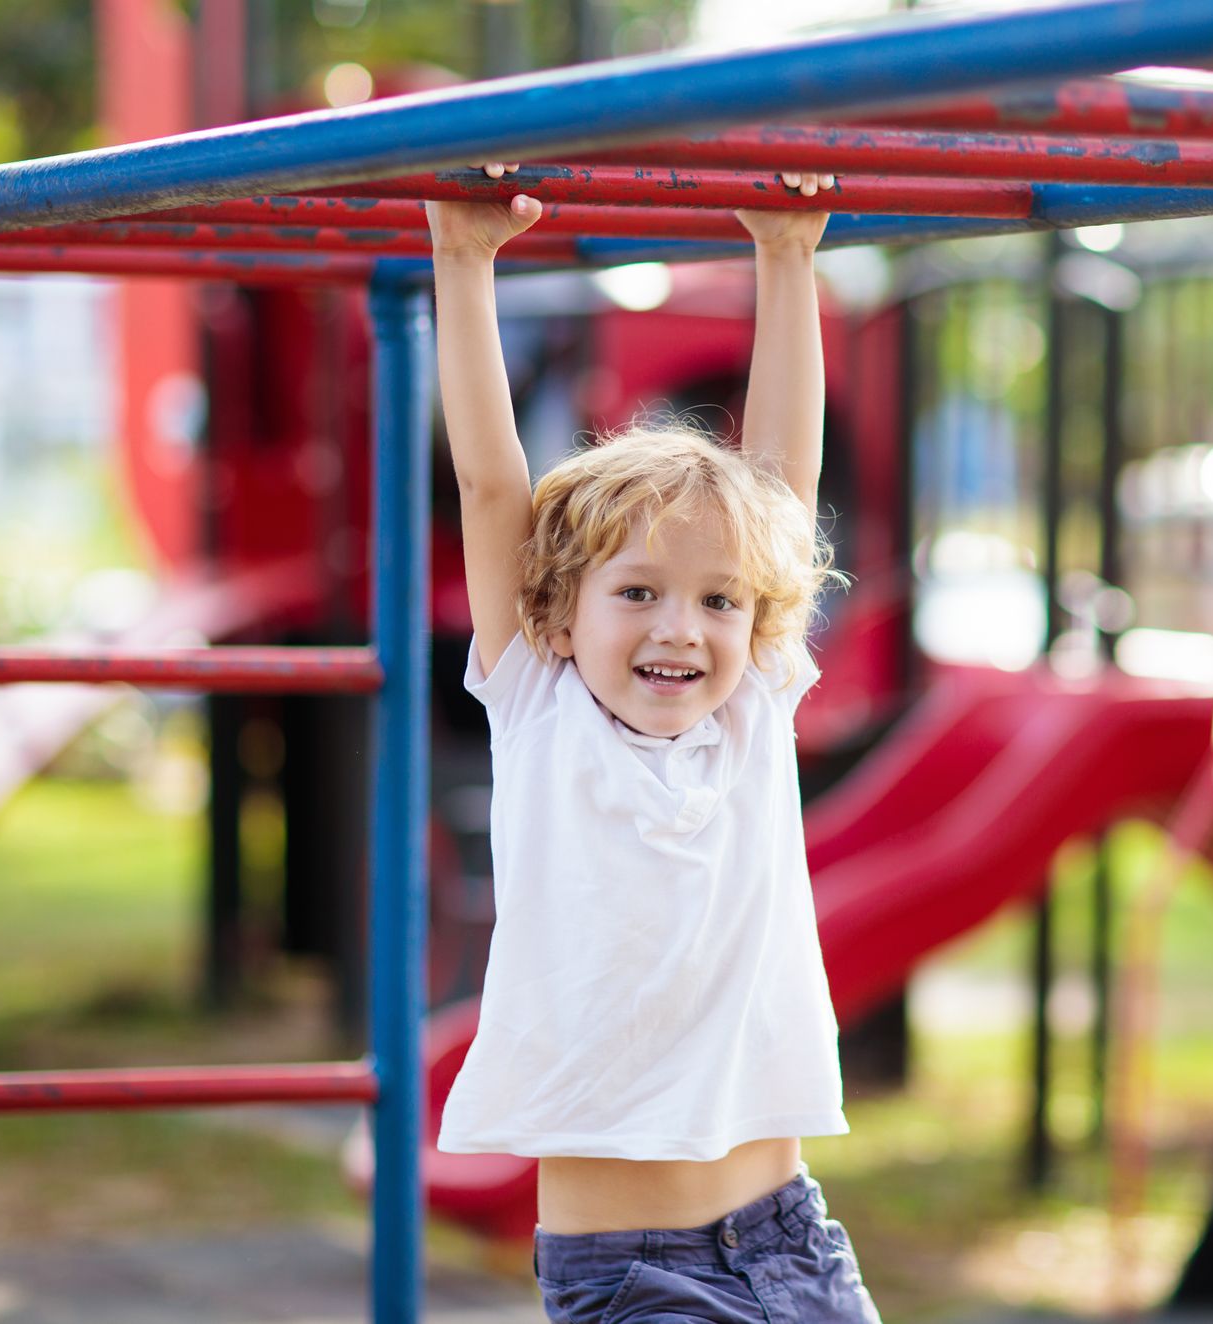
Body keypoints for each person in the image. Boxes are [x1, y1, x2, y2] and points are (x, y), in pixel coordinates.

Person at [426, 163, 880, 1323]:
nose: (681, 628)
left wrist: (785, 257)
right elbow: (490, 487)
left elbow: (785, 481)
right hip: (632, 1269)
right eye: (638, 593)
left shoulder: (751, 716)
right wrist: (466, 261)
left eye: (719, 602)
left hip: (791, 1236)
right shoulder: (539, 704)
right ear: (555, 612)